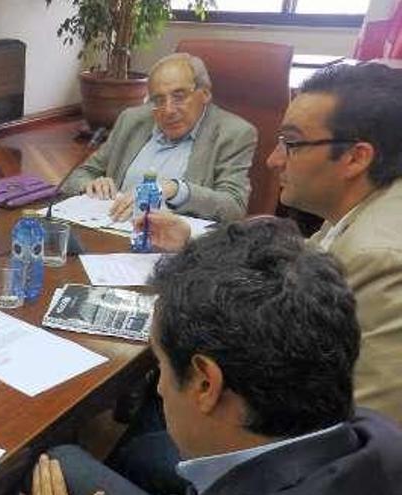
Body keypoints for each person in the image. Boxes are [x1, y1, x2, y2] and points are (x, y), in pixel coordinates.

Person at [28, 218, 402, 495]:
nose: (158, 388)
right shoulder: (379, 435)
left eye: (159, 366)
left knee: (58, 461)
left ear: (207, 383)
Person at [137, 63, 402, 422]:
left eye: (290, 143)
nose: (272, 159)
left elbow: (362, 436)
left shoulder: (380, 259)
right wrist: (190, 239)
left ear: (356, 157)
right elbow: (294, 268)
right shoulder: (354, 211)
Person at [61, 53, 256, 223]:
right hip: (110, 229)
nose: (168, 110)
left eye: (179, 96)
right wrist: (90, 185)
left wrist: (177, 189)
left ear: (204, 94)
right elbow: (77, 176)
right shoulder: (132, 120)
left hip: (176, 246)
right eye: (158, 100)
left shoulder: (233, 133)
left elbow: (234, 208)